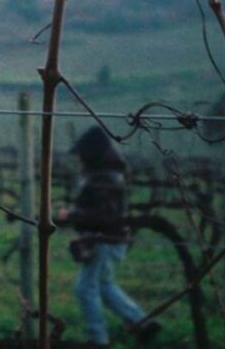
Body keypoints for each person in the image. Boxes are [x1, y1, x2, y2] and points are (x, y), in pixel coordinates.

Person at [57, 126, 160, 348]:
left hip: (104, 241)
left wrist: (72, 215)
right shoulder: (107, 174)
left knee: (85, 289)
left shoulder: (106, 177)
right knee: (103, 285)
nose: (80, 158)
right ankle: (143, 322)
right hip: (109, 239)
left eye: (83, 153)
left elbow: (105, 215)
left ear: (93, 153)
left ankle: (98, 339)